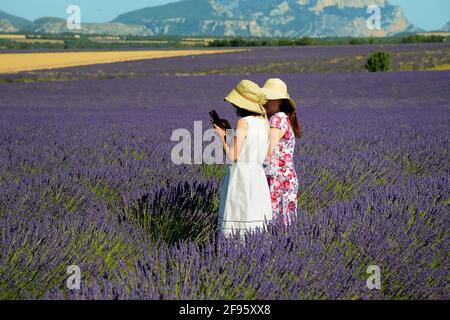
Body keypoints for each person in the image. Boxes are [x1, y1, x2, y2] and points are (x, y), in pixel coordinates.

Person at [213, 80, 273, 237]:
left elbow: (232, 156)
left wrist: (221, 137)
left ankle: (233, 253)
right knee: (254, 217)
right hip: (258, 177)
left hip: (241, 176)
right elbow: (263, 152)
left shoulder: (243, 122)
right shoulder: (264, 121)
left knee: (238, 216)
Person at [261, 78, 303, 226]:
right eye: (264, 97)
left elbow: (266, 150)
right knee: (284, 224)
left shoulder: (278, 119)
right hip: (284, 178)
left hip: (278, 180)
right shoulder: (282, 118)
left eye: (269, 98)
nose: (265, 101)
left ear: (279, 100)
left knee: (275, 224)